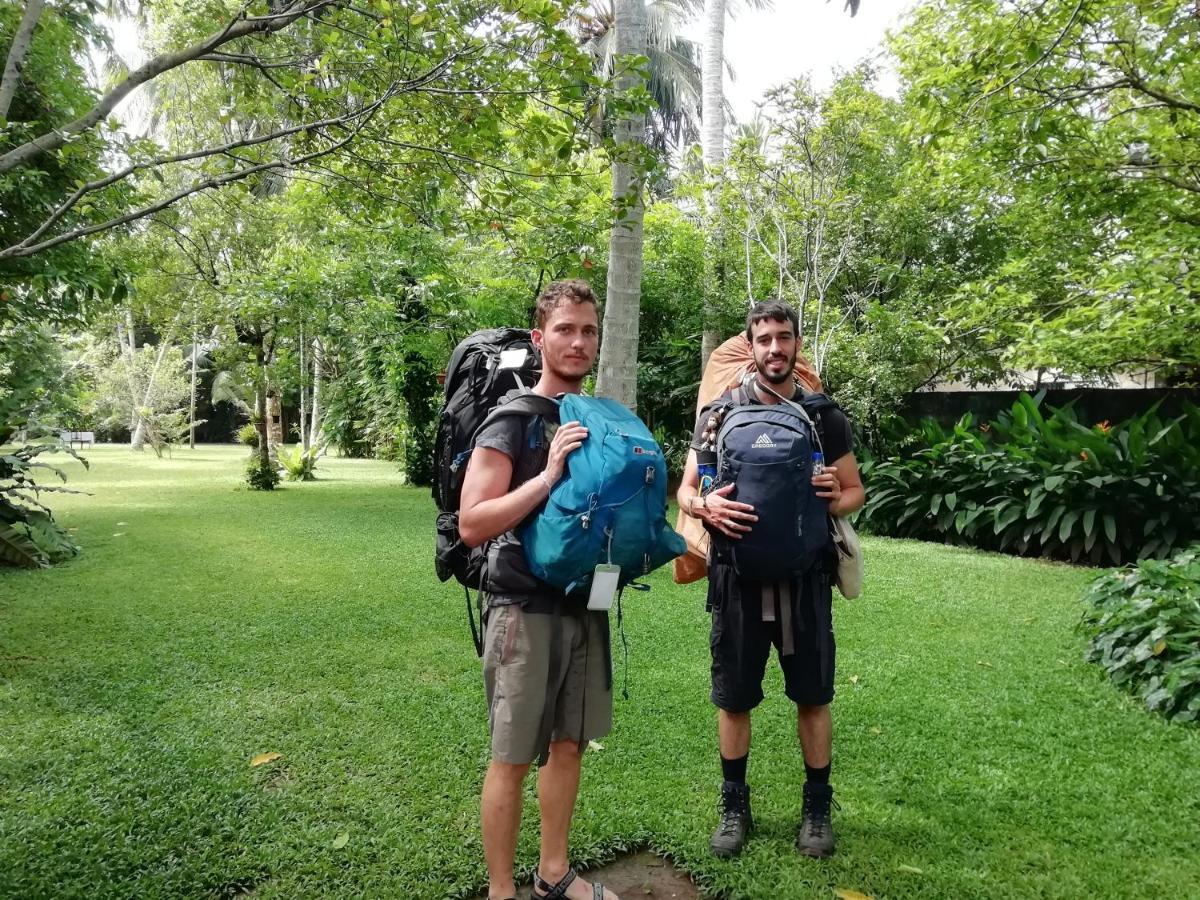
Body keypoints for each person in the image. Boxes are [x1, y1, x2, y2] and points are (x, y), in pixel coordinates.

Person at [675, 299, 866, 860]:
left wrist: (837, 495)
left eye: (784, 338)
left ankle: (816, 808)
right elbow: (686, 490)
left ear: (796, 345)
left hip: (807, 577)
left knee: (813, 696)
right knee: (733, 699)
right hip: (736, 578)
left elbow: (855, 491)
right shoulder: (717, 414)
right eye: (765, 339)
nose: (775, 349)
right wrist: (704, 504)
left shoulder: (822, 414)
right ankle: (734, 806)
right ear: (750, 346)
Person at [458, 279, 619, 900]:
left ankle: (554, 873)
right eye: (565, 330)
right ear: (539, 338)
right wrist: (549, 473)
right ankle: (502, 892)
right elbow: (474, 523)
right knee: (513, 755)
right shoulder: (514, 420)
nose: (578, 342)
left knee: (570, 742)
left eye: (588, 331)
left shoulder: (598, 417)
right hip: (523, 608)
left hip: (587, 604)